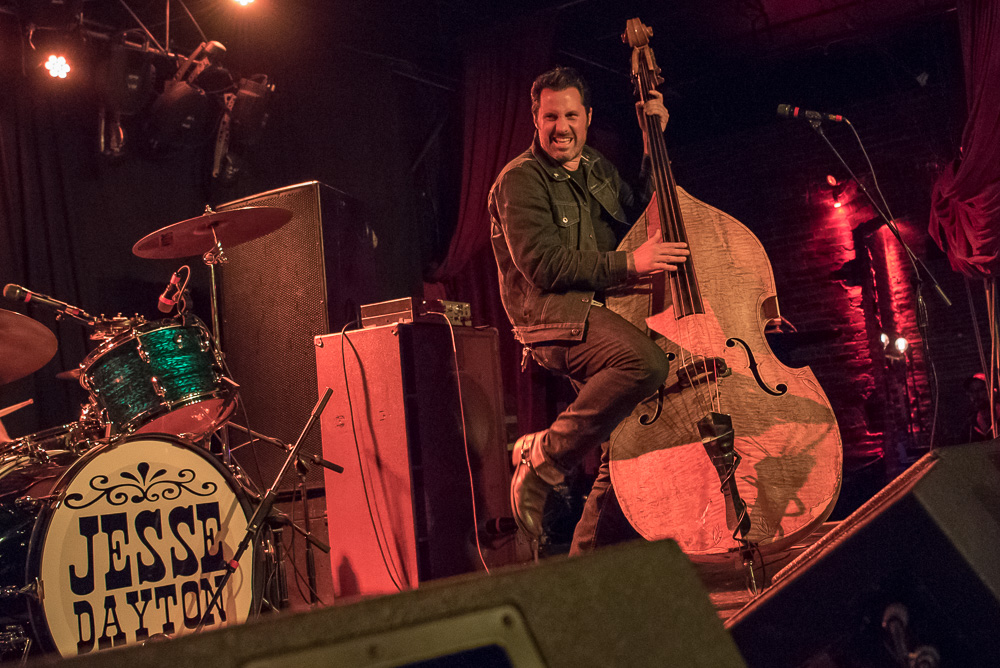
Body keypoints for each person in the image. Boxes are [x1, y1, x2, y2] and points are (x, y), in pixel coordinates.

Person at [488, 66, 689, 554]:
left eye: (571, 115)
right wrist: (629, 263)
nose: (562, 127)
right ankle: (545, 458)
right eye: (551, 116)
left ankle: (583, 569)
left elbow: (643, 210)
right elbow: (544, 265)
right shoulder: (520, 180)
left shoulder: (596, 167)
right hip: (552, 316)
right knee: (645, 363)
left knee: (622, 447)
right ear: (536, 120)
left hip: (601, 311)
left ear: (588, 117)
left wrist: (650, 140)